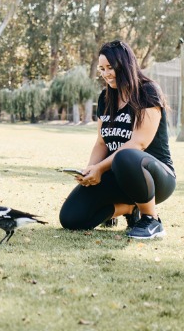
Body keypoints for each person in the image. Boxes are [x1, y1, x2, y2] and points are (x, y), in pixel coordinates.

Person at [59, 40, 176, 239]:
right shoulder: (106, 97)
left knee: (127, 155)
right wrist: (90, 170)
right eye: (102, 69)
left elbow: (139, 143)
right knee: (71, 218)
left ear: (125, 65)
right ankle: (129, 209)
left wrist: (100, 168)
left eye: (110, 67)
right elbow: (101, 142)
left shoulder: (148, 91)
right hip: (117, 177)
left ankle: (151, 220)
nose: (106, 74)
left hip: (154, 179)